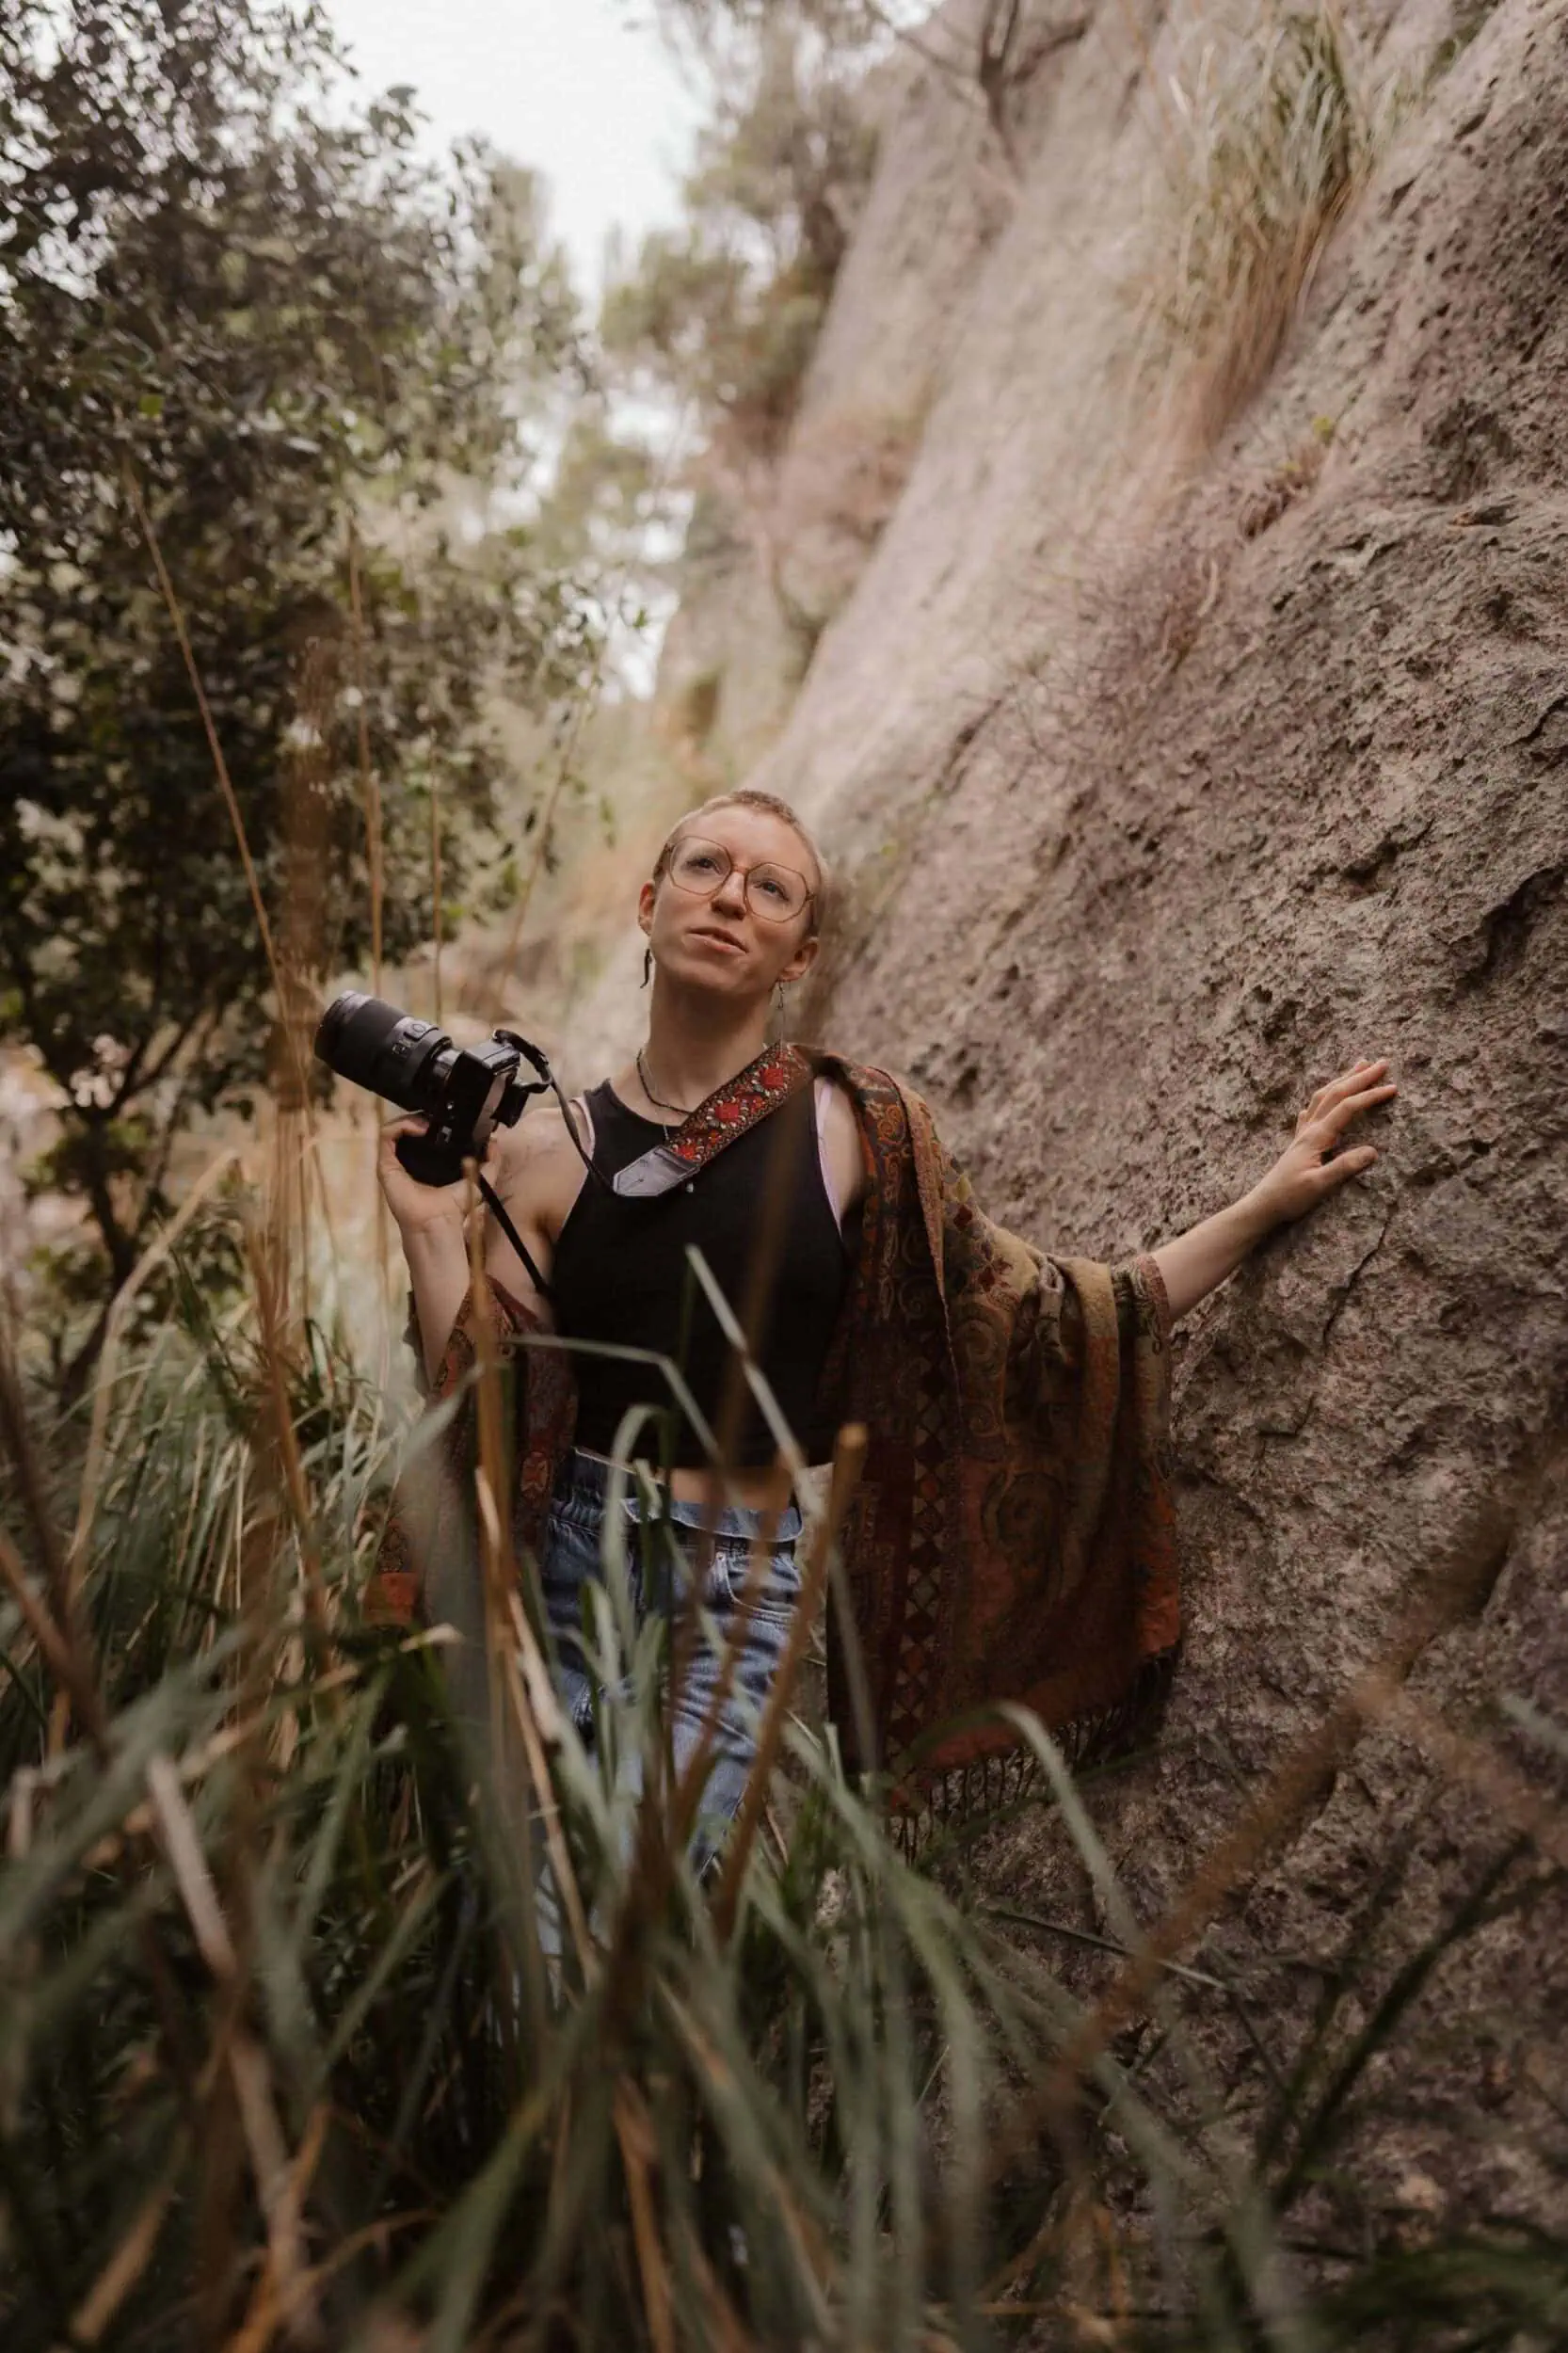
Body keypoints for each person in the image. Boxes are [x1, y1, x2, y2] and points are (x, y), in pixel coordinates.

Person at [372, 788, 1397, 1860]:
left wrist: (1262, 1206)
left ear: (801, 957)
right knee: (533, 1920)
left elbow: (1046, 1318)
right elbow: (477, 1417)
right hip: (563, 1571)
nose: (732, 897)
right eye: (705, 867)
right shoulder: (548, 1150)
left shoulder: (858, 1131)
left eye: (772, 888)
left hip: (733, 1593)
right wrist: (431, 1233)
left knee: (655, 1911)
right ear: (648, 902)